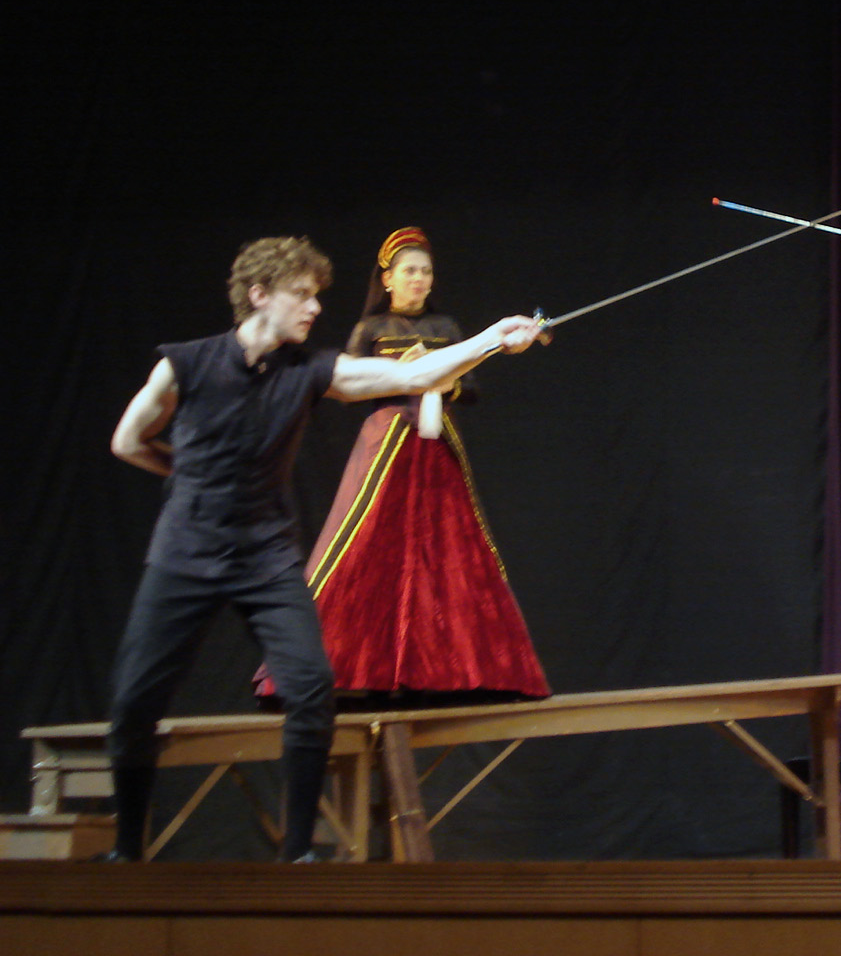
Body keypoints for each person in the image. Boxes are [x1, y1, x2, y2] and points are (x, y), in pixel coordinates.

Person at [104, 236, 541, 862]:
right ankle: (126, 852)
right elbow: (127, 440)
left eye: (317, 296)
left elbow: (413, 375)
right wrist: (192, 480)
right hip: (185, 554)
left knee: (310, 689)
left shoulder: (311, 369)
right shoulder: (186, 364)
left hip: (265, 557)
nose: (315, 308)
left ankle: (298, 854)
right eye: (302, 295)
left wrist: (494, 338)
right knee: (134, 699)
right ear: (259, 295)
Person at [257, 227, 550, 704]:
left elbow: (471, 388)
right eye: (409, 271)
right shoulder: (371, 329)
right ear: (388, 279)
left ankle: (458, 670)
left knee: (450, 546)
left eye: (426, 272)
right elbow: (351, 388)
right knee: (363, 540)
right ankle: (323, 666)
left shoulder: (446, 327)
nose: (419, 279)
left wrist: (447, 383)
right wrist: (407, 377)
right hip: (386, 446)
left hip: (436, 447)